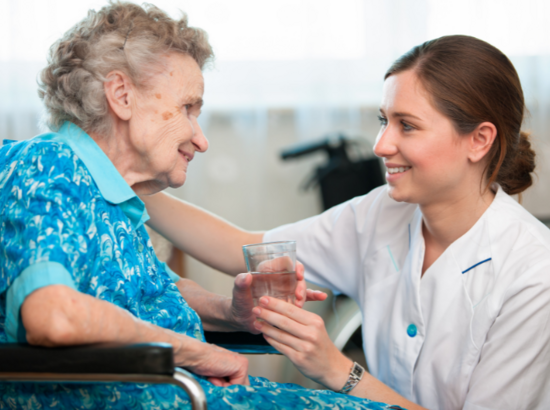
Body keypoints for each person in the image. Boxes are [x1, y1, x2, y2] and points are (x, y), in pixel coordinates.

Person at [0, 2, 402, 409]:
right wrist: (196, 352)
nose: (200, 139)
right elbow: (54, 316)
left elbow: (152, 294)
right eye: (187, 109)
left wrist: (232, 313)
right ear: (121, 96)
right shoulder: (47, 164)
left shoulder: (110, 196)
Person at [142, 35, 550, 409]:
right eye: (383, 120)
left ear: (479, 140)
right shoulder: (381, 213)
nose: (381, 145)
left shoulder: (533, 274)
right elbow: (240, 246)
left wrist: (337, 369)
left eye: (407, 125)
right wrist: (127, 179)